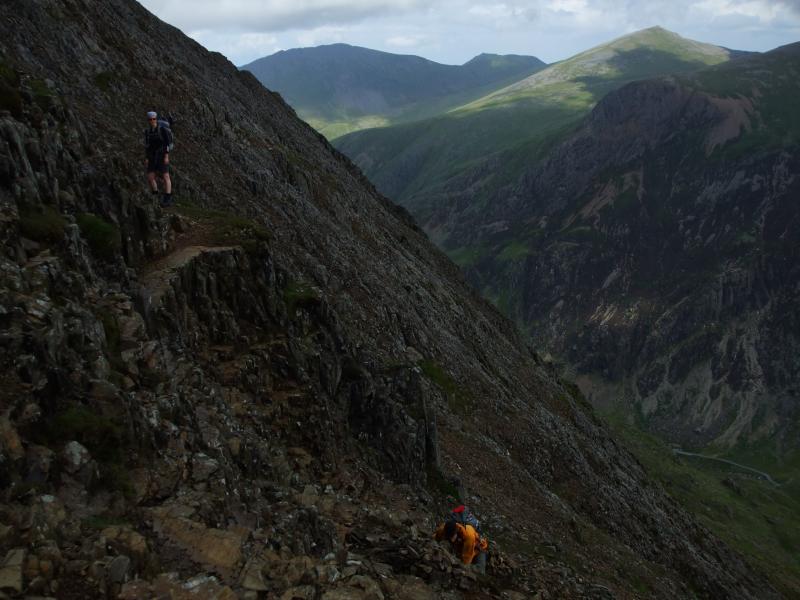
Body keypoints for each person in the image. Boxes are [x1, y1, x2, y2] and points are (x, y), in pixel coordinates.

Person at [144, 110, 172, 207]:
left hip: (162, 155)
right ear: (148, 120)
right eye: (150, 119)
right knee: (150, 177)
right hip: (152, 156)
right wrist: (147, 158)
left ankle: (167, 198)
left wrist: (166, 156)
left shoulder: (162, 130)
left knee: (166, 176)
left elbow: (167, 143)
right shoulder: (147, 132)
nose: (152, 121)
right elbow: (147, 146)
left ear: (156, 119)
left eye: (154, 119)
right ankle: (155, 195)